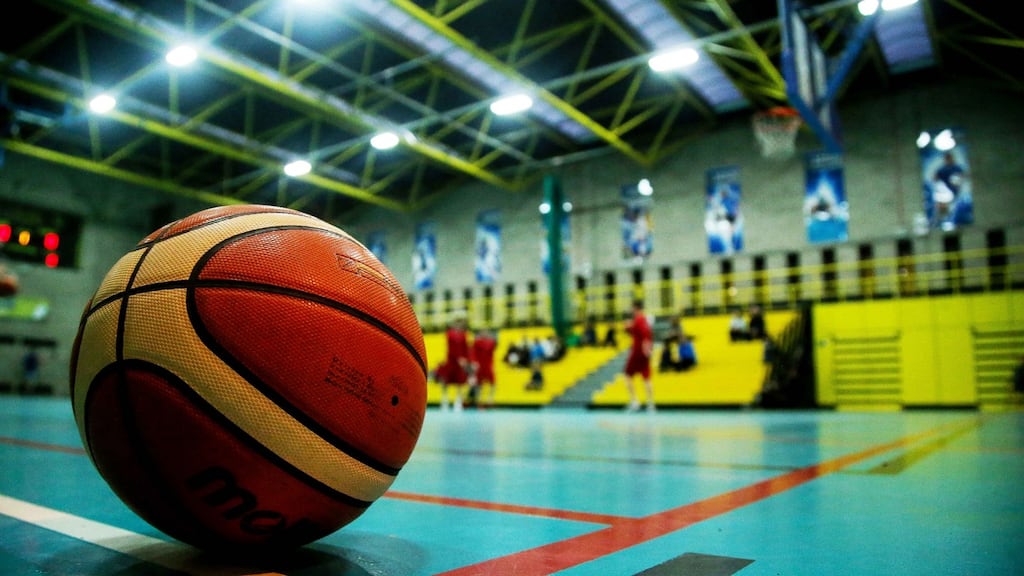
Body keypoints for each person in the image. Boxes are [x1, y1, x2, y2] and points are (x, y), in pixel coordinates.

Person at [623, 300, 655, 413]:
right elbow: (638, 333)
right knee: (646, 377)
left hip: (638, 351)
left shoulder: (639, 319)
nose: (630, 310)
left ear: (635, 307)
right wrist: (628, 328)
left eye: (631, 307)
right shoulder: (642, 319)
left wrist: (646, 348)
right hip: (644, 352)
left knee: (627, 375)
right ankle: (651, 404)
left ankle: (634, 402)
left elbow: (645, 334)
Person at [440, 312, 471, 412]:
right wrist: (459, 358)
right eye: (458, 322)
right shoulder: (449, 334)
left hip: (461, 363)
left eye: (461, 322)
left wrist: (466, 359)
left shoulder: (464, 335)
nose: (459, 324)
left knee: (459, 382)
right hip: (451, 360)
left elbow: (466, 348)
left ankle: (458, 401)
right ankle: (444, 399)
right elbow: (452, 348)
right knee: (446, 381)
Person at [470, 328, 498, 408]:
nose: (484, 334)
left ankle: (490, 399)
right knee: (478, 384)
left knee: (493, 382)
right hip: (479, 366)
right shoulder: (477, 342)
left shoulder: (491, 342)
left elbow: (495, 347)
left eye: (486, 332)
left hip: (488, 365)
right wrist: (474, 362)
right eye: (482, 332)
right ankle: (479, 400)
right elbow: (473, 352)